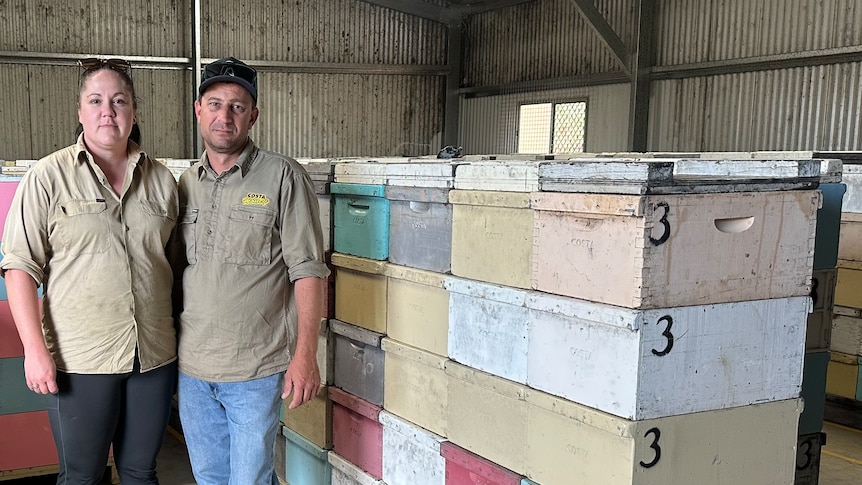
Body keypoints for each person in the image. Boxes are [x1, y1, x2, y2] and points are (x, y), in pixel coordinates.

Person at [0, 57, 179, 484]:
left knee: (140, 472)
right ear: (80, 112)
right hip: (80, 360)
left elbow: (172, 269)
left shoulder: (162, 181)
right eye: (96, 100)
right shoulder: (47, 177)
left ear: (134, 112)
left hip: (152, 357)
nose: (108, 111)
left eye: (119, 101)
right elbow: (19, 268)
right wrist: (35, 351)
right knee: (82, 477)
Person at [174, 57, 330, 485]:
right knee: (209, 479)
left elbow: (308, 271)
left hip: (254, 371)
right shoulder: (185, 184)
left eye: (237, 107)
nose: (225, 116)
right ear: (198, 109)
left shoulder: (282, 177)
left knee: (249, 481)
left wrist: (305, 355)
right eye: (215, 103)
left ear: (253, 116)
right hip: (193, 369)